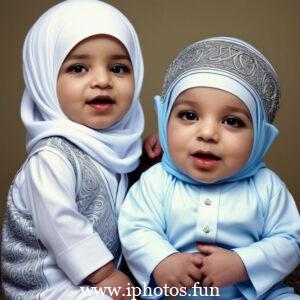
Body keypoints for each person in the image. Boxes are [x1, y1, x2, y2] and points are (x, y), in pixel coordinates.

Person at [118, 37, 300, 299]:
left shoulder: (267, 186)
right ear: (164, 117)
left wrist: (243, 263)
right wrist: (162, 260)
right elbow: (136, 228)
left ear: (261, 136)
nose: (207, 133)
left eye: (232, 121)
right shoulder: (156, 181)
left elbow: (289, 240)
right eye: (189, 116)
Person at [1, 0, 147, 299]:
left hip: (94, 281)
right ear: (44, 77)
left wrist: (147, 164)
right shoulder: (51, 157)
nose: (102, 81)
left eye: (118, 68)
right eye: (78, 68)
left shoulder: (118, 150)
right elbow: (61, 221)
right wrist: (104, 273)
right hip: (48, 287)